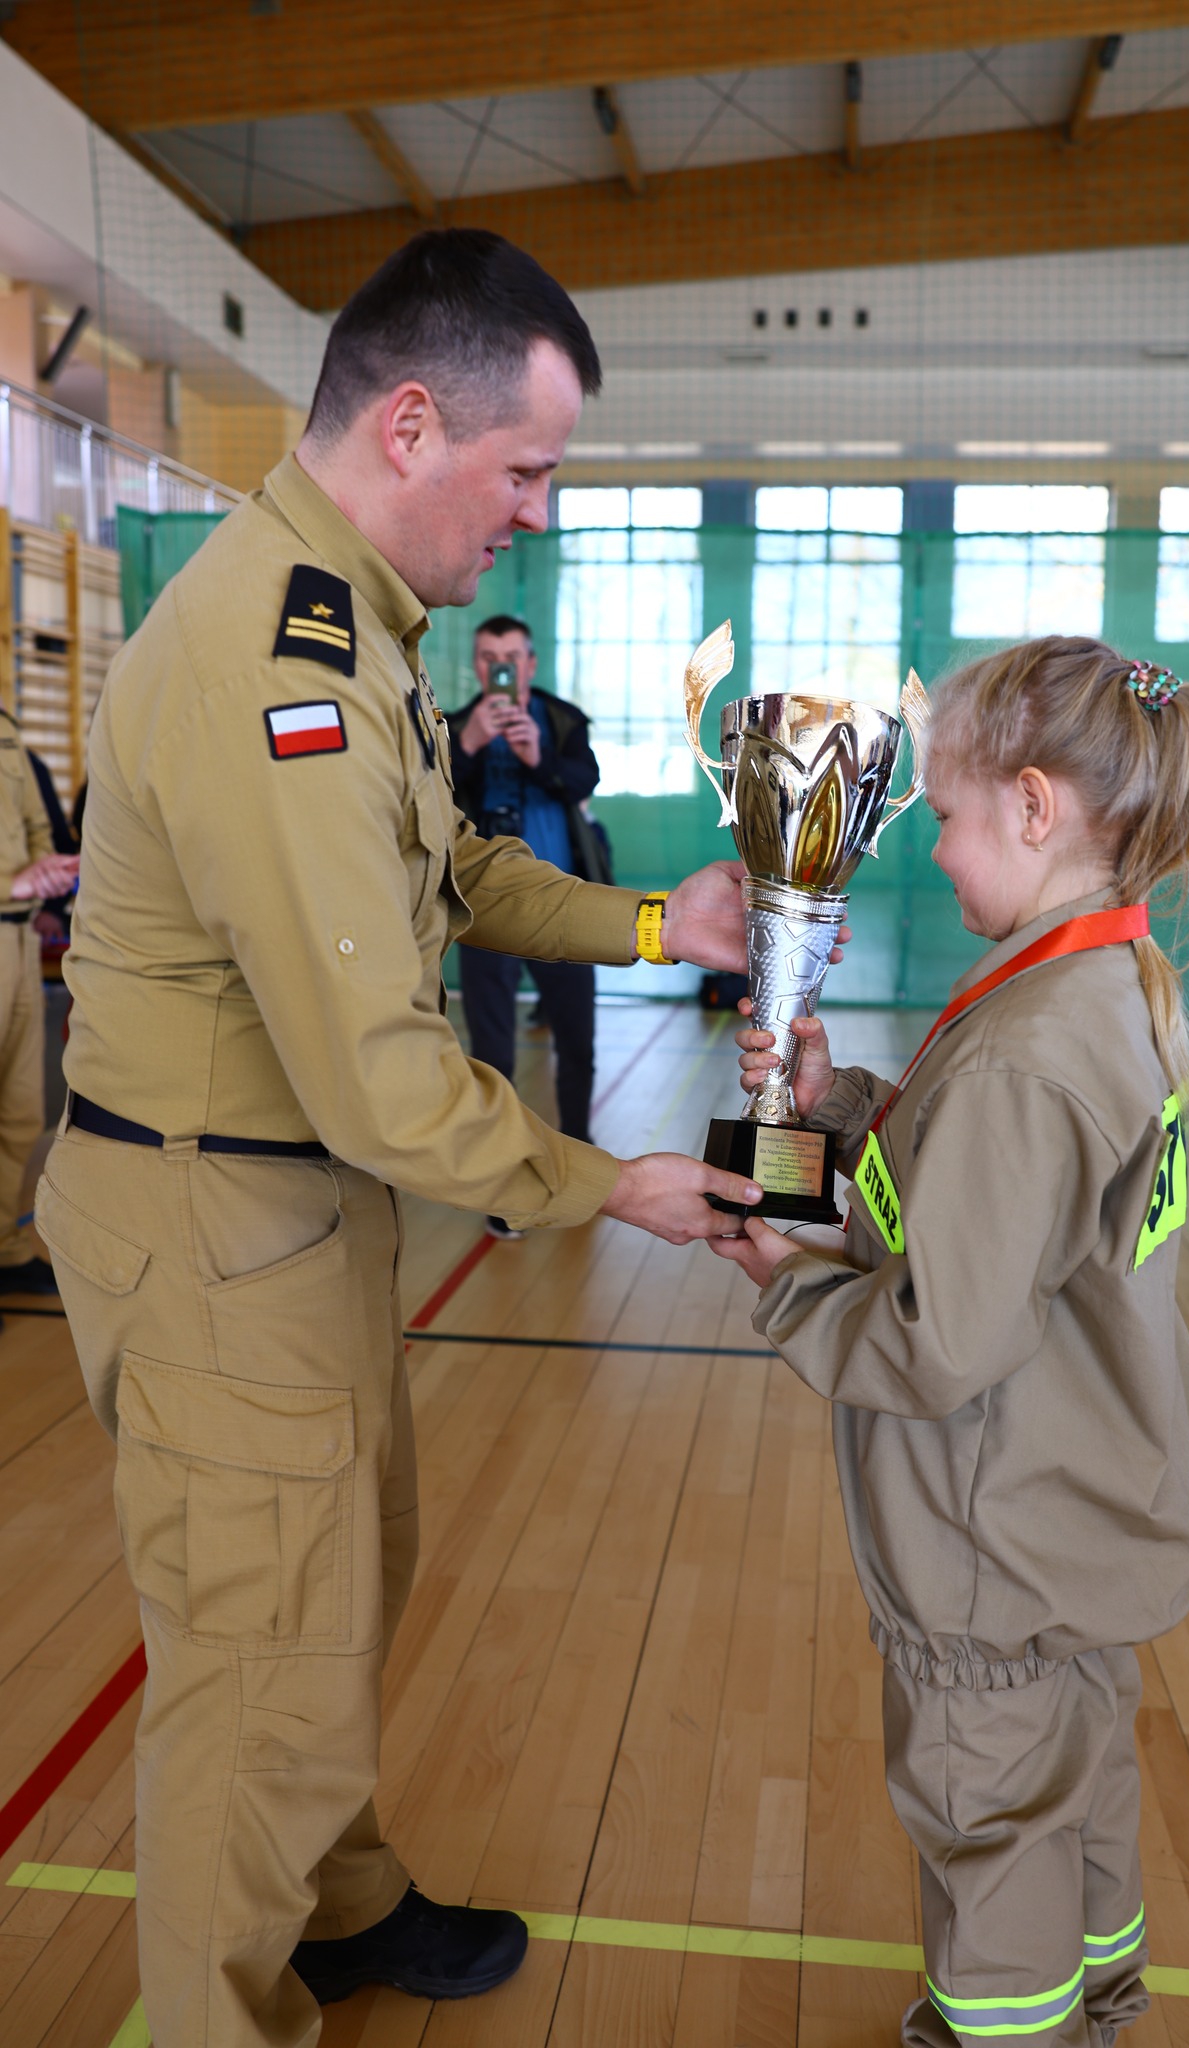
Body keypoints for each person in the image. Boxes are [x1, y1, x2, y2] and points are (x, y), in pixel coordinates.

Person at [33, 228, 806, 2048]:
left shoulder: (351, 619)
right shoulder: (270, 667)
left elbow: (447, 867)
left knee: (334, 1583)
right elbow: (385, 1075)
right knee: (255, 1666)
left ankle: (337, 1902)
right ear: (408, 422)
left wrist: (652, 926)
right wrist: (607, 1181)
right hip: (218, 1223)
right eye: (525, 467)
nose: (533, 511)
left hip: (283, 1220)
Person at [714, 637, 1189, 2048]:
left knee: (992, 1828)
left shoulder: (1028, 1047)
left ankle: (1011, 2028)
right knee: (1077, 1796)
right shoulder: (1092, 986)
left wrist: (779, 1280)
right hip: (1077, 1518)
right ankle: (1099, 2003)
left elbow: (937, 1340)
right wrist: (833, 1112)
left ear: (1029, 804)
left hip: (989, 1541)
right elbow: (980, 1196)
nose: (933, 855)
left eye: (942, 819)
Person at [448, 614, 602, 1238]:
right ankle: (504, 1182)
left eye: (512, 656)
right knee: (493, 1051)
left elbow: (584, 780)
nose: (501, 668)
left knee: (578, 1043)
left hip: (569, 905)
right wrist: (467, 747)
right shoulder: (452, 725)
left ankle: (582, 1163)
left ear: (531, 663)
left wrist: (539, 758)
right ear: (478, 665)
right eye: (489, 658)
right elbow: (428, 797)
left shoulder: (563, 720)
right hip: (484, 912)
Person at [0, 718, 78, 1298]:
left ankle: (4, 1249)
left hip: (20, 938)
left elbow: (35, 823)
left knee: (21, 1108)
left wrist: (45, 872)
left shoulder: (5, 729)